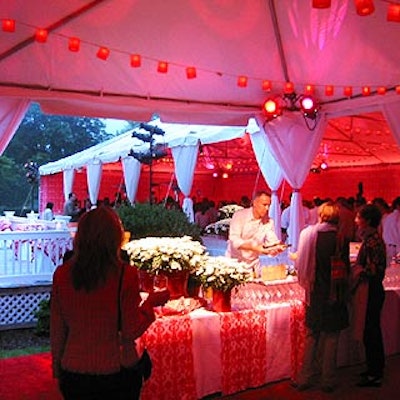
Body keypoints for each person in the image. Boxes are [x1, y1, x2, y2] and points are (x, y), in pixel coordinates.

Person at [51, 206, 169, 399]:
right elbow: (131, 329)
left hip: (73, 370)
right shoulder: (125, 275)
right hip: (115, 371)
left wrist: (57, 369)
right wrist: (150, 305)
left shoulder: (62, 274)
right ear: (116, 237)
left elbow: (58, 329)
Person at [294, 201, 349, 393]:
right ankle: (328, 379)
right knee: (331, 337)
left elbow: (301, 266)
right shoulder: (341, 237)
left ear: (321, 215)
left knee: (312, 335)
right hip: (334, 292)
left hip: (315, 291)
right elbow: (344, 270)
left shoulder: (308, 235)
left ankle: (305, 377)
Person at [352, 204, 386, 387]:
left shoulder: (372, 241)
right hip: (373, 289)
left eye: (359, 217)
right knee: (370, 330)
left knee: (371, 331)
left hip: (371, 290)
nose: (356, 220)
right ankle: (373, 368)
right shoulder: (373, 238)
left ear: (367, 220)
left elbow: (373, 270)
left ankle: (375, 372)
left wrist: (356, 271)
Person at [226, 190, 283, 275]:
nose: (267, 208)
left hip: (254, 265)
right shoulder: (239, 216)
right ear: (254, 203)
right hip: (234, 263)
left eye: (269, 205)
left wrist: (276, 248)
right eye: (264, 205)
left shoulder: (269, 221)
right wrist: (254, 247)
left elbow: (272, 242)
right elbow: (234, 240)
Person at [381, 196, 400, 267]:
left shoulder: (387, 217)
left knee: (389, 271)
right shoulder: (397, 217)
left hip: (388, 247)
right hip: (397, 248)